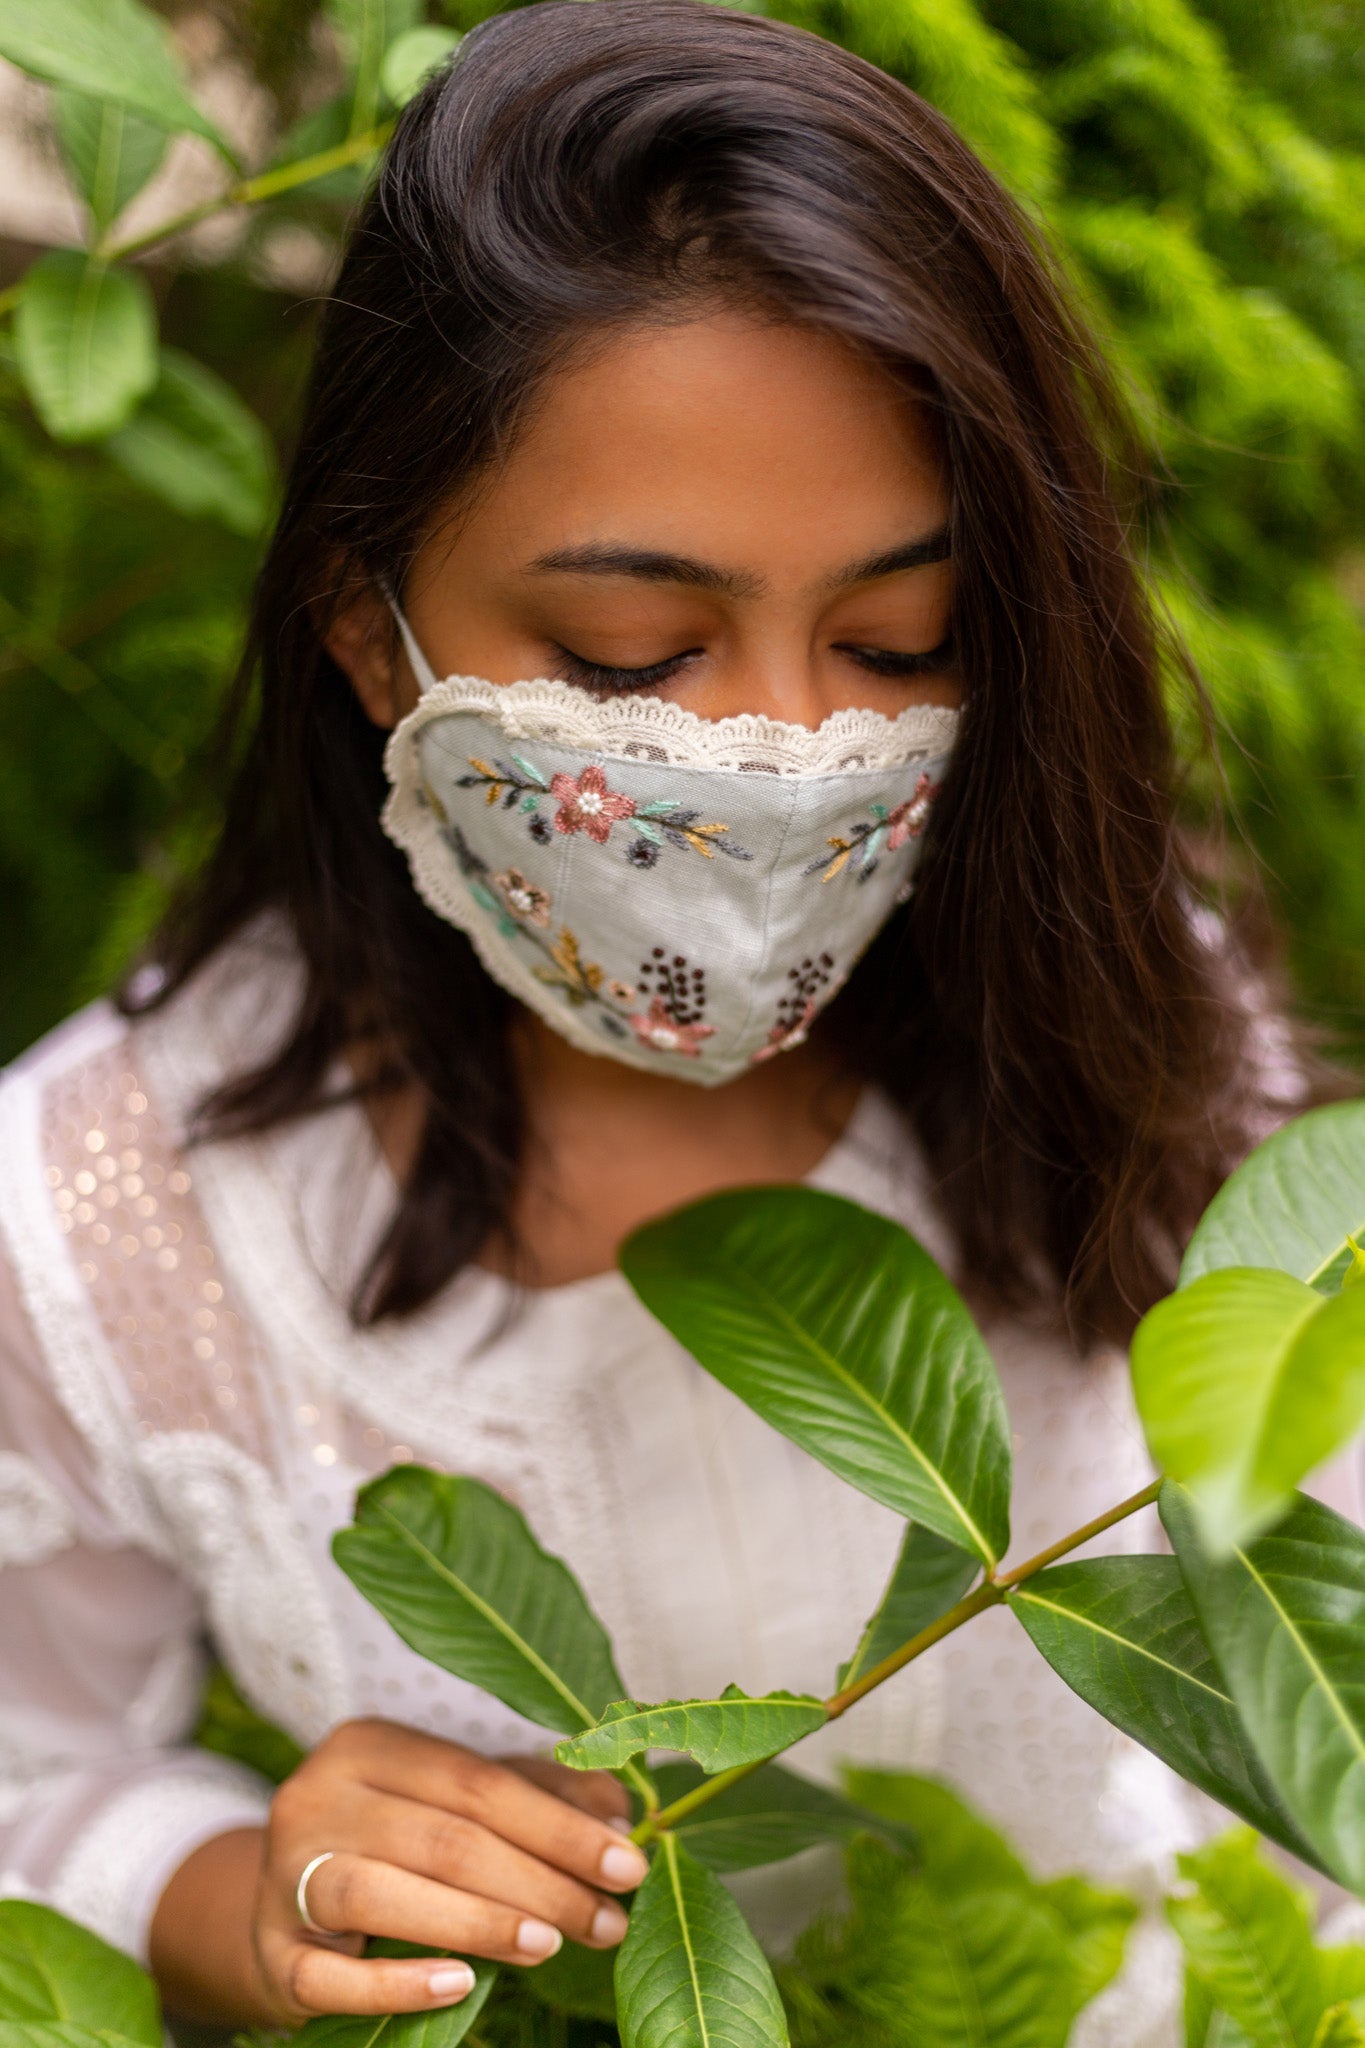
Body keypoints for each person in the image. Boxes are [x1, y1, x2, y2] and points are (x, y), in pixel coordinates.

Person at [0, 2, 1336, 2038]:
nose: (792, 752)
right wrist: (239, 1885)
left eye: (901, 638)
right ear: (372, 632)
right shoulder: (111, 1217)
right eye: (633, 661)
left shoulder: (1111, 1006)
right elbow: (29, 1773)